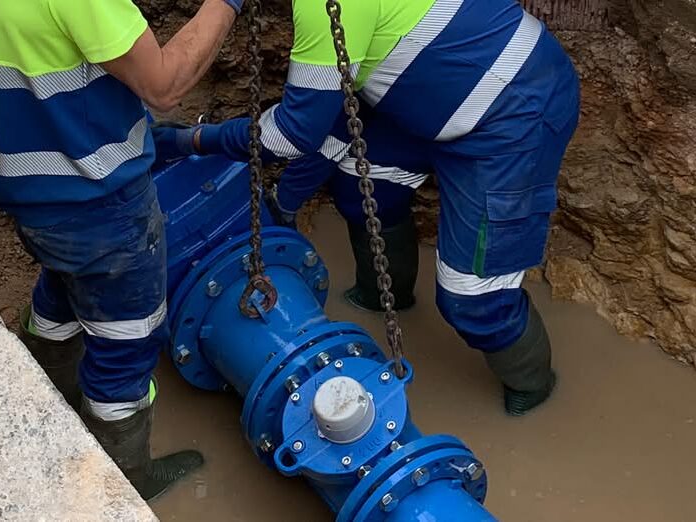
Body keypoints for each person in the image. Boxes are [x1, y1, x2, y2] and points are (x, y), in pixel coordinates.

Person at [155, 0, 580, 416]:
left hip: (515, 112)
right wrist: (284, 203)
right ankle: (385, 295)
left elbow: (290, 134)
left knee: (473, 300)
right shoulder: (334, 16)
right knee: (364, 192)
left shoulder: (329, 9)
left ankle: (533, 384)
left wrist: (191, 141)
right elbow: (333, 120)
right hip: (437, 99)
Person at [0, 0, 245, 499]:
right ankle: (124, 480)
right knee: (128, 346)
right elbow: (163, 84)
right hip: (103, 208)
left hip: (28, 193)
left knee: (64, 284)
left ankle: (47, 401)